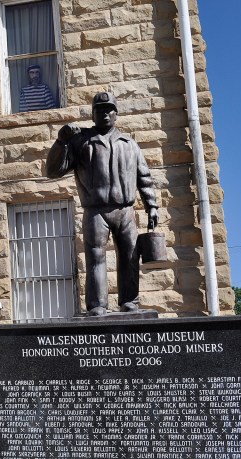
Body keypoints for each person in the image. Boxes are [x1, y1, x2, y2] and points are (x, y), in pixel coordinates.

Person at [45, 91, 159, 316]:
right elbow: (52, 172)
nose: (104, 113)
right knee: (95, 258)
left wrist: (152, 206)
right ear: (93, 114)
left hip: (125, 210)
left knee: (129, 256)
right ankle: (97, 305)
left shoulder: (130, 145)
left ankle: (130, 302)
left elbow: (144, 178)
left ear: (116, 114)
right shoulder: (81, 141)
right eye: (99, 110)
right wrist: (61, 142)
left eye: (109, 109)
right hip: (95, 212)